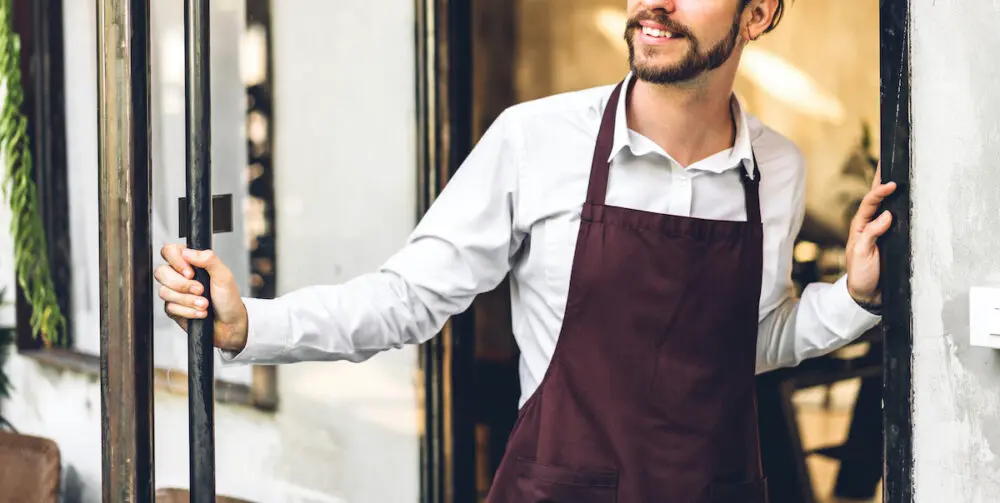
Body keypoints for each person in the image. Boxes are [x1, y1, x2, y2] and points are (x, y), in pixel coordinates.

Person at [154, 0, 896, 501]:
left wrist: (854, 298)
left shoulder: (776, 168)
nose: (655, 3)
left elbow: (746, 343)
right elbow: (407, 298)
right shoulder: (536, 140)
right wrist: (251, 325)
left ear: (758, 13)